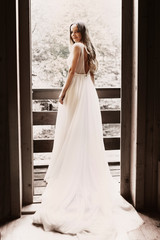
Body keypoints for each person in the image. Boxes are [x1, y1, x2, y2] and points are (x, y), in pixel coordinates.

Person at [32, 22, 144, 240]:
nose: (74, 35)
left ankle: (73, 183)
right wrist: (90, 97)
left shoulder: (77, 48)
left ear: (83, 33)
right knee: (81, 136)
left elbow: (73, 71)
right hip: (87, 93)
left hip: (76, 90)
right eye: (71, 32)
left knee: (70, 135)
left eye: (77, 31)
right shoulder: (89, 49)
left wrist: (63, 93)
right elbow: (90, 77)